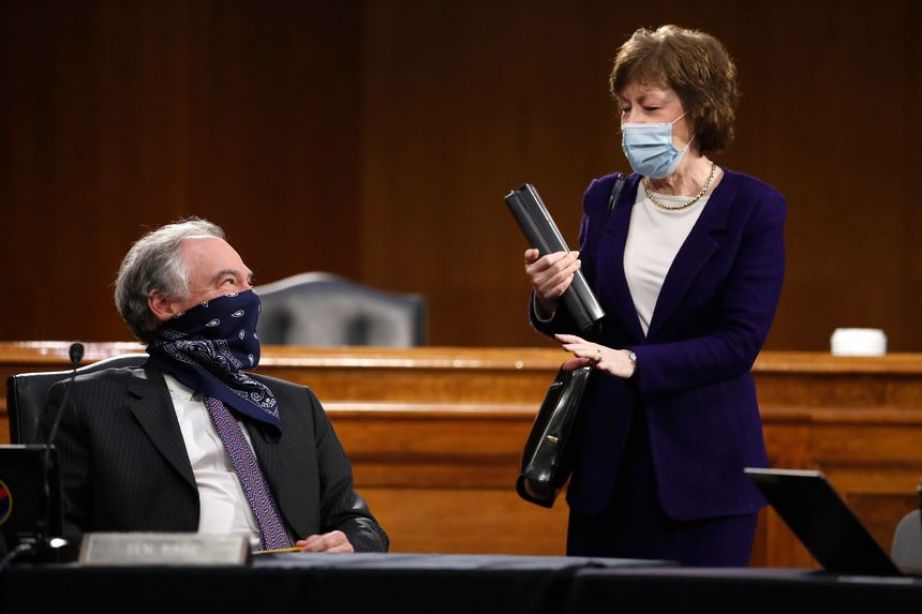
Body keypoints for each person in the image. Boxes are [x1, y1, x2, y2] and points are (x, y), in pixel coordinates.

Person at [523, 25, 785, 566]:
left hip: (704, 473)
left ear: (700, 108)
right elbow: (593, 326)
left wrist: (635, 361)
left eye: (649, 107)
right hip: (608, 470)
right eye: (624, 109)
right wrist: (550, 298)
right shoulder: (607, 198)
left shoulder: (752, 208)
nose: (632, 124)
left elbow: (738, 343)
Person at [44, 218, 388, 553]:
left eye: (248, 282)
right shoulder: (88, 404)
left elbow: (357, 522)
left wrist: (350, 542)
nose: (249, 297)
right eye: (227, 283)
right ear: (163, 304)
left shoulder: (293, 404)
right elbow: (55, 537)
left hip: (295, 587)